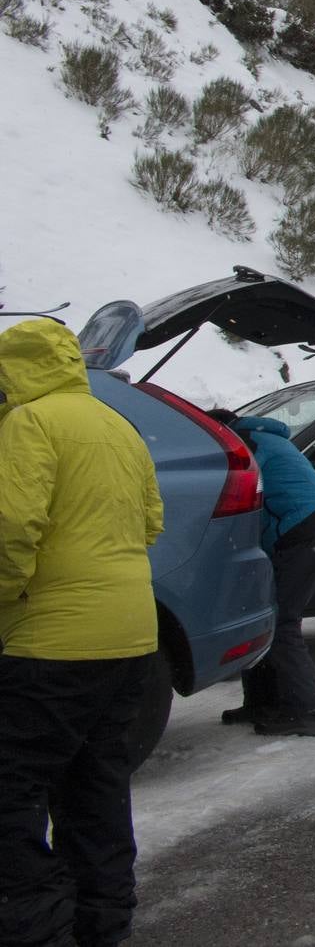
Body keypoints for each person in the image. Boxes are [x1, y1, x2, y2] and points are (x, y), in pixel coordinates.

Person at [0, 318, 163, 947]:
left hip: (53, 641)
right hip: (130, 636)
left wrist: (9, 590)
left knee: (9, 793)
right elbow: (151, 521)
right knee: (94, 788)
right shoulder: (115, 423)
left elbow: (12, 526)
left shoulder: (29, 422)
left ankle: (36, 926)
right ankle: (102, 922)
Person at [215, 412, 315, 737]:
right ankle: (261, 702)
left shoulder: (246, 444)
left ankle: (305, 712)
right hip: (308, 526)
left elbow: (238, 495)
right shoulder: (257, 438)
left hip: (303, 530)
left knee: (282, 622)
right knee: (260, 617)